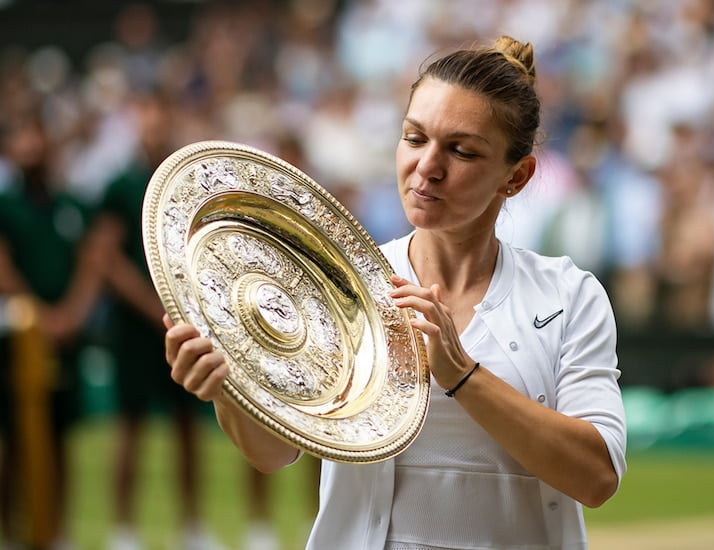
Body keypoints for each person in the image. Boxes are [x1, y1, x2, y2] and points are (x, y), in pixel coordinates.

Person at [163, 36, 627, 549]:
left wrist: (463, 376)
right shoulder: (338, 281)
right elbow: (273, 454)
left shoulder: (569, 296)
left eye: (462, 150)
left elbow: (597, 477)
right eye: (414, 138)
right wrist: (225, 390)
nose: (428, 166)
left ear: (515, 178)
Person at [97, 91, 221, 550]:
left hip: (182, 322)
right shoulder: (120, 185)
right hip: (136, 327)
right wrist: (155, 307)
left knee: (188, 425)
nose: (154, 123)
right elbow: (106, 258)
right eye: (146, 114)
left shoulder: (184, 182)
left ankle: (192, 526)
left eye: (161, 114)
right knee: (130, 425)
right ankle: (123, 529)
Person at [0, 112, 108, 550]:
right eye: (19, 138)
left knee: (62, 439)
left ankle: (55, 530)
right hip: (17, 339)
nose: (29, 146)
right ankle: (11, 530)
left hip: (66, 338)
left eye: (34, 135)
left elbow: (91, 262)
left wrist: (73, 315)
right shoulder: (6, 206)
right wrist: (40, 318)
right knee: (16, 440)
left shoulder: (71, 206)